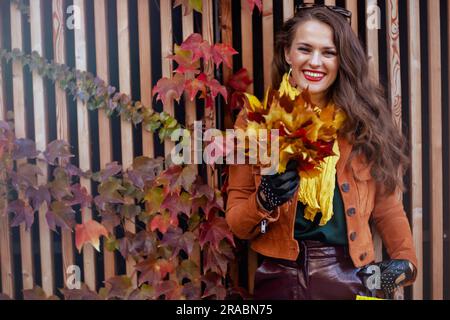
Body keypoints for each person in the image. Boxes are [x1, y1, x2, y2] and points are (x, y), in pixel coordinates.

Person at [225, 4, 417, 300]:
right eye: (305, 49)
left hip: (354, 278)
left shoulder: (364, 125)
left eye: (329, 52)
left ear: (342, 60)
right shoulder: (255, 121)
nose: (315, 62)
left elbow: (388, 209)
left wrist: (406, 264)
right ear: (288, 53)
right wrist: (264, 200)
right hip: (280, 281)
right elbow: (238, 224)